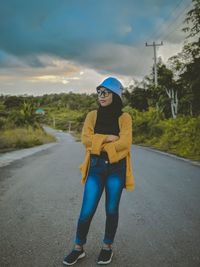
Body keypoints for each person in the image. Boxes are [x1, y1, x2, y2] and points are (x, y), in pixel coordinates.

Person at [63, 77, 135, 266]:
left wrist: (100, 144)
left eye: (105, 92)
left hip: (116, 168)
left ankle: (107, 247)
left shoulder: (125, 118)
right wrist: (109, 140)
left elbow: (126, 142)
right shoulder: (92, 116)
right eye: (99, 92)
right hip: (95, 167)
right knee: (87, 210)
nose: (101, 96)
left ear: (116, 95)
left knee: (111, 210)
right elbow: (85, 139)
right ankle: (78, 248)